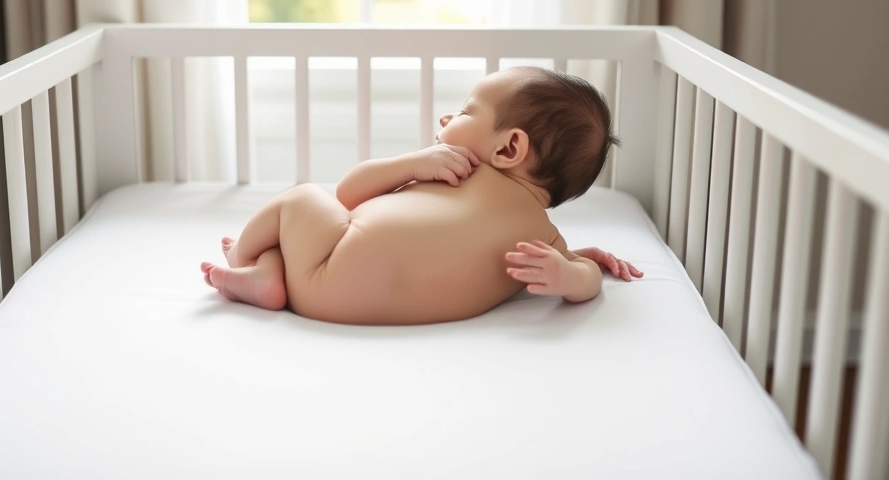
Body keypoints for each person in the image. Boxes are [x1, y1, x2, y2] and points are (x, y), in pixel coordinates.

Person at [200, 67, 642, 325]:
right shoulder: (542, 238)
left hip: (333, 267)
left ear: (509, 148)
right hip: (358, 300)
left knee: (302, 199)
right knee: (297, 236)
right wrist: (569, 272)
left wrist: (410, 165)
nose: (448, 116)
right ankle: (266, 280)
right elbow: (583, 279)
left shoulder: (455, 168)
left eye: (467, 111)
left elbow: (347, 194)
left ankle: (244, 256)